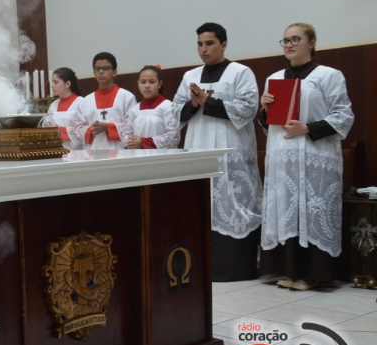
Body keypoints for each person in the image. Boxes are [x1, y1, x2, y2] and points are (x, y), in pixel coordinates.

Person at [258, 23, 354, 290]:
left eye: (296, 39)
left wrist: (308, 128)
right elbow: (268, 124)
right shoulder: (274, 78)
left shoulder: (328, 75)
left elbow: (343, 116)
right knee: (285, 210)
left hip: (314, 157)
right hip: (282, 158)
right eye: (285, 40)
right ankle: (287, 270)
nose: (289, 44)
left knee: (312, 210)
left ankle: (313, 274)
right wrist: (264, 109)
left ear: (311, 43)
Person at [173, 22, 261, 281]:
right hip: (199, 148)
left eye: (209, 43)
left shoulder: (240, 72)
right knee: (202, 205)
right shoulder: (190, 76)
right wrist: (192, 102)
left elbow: (247, 109)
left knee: (234, 203)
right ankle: (200, 268)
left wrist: (208, 101)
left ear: (223, 44)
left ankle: (235, 268)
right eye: (200, 44)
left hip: (231, 151)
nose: (203, 49)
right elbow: (174, 112)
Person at [69, 52, 136, 150]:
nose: (101, 71)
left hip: (120, 153)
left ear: (115, 72)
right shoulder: (86, 101)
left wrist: (107, 127)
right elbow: (77, 128)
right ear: (94, 73)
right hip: (92, 153)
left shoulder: (126, 97)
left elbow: (132, 125)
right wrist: (91, 129)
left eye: (106, 68)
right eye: (97, 69)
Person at [124, 64, 179, 149]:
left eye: (152, 82)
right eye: (143, 82)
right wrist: (132, 142)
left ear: (160, 84)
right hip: (138, 157)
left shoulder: (168, 106)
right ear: (138, 84)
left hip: (161, 157)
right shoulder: (134, 110)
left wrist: (143, 142)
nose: (147, 86)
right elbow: (126, 134)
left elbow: (173, 138)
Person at [41, 67, 83, 150]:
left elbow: (85, 131)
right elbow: (45, 126)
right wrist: (49, 130)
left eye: (56, 82)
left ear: (67, 84)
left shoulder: (81, 103)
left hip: (78, 153)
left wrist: (61, 130)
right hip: (56, 152)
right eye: (52, 82)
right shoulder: (53, 105)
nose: (52, 86)